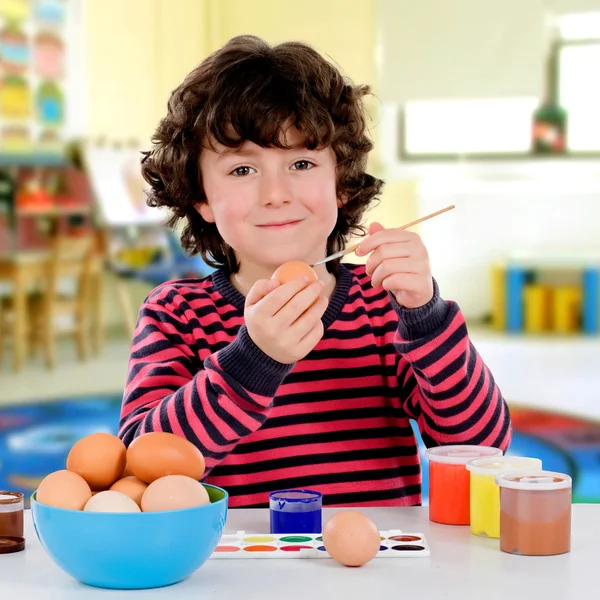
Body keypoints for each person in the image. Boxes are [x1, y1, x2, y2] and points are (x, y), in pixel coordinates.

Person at [118, 35, 511, 508]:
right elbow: (142, 464)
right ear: (201, 197)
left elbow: (481, 448)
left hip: (374, 570)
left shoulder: (382, 305)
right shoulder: (176, 313)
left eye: (301, 163)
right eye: (243, 170)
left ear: (341, 183)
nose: (276, 193)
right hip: (240, 572)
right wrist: (253, 361)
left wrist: (425, 317)